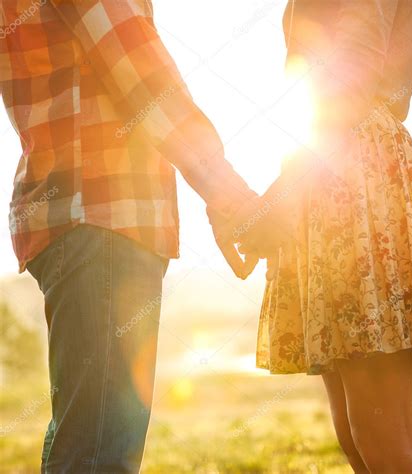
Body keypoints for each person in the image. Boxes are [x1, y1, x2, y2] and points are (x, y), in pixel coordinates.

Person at [0, 0, 259, 471]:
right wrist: (228, 193)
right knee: (98, 455)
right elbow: (143, 77)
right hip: (101, 215)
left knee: (82, 440)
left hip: (78, 218)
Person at [239, 1, 412, 472]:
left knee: (380, 438)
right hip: (342, 174)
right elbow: (392, 95)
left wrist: (280, 195)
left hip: (349, 183)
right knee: (358, 435)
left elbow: (349, 87)